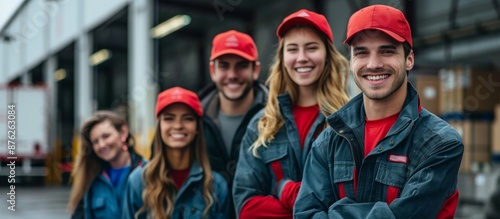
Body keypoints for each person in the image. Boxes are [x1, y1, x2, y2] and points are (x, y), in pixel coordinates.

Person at [294, 4, 464, 219]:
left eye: (387, 51)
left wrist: (333, 212)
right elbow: (305, 214)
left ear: (409, 59)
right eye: (362, 53)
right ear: (351, 61)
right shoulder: (328, 141)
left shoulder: (440, 144)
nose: (373, 64)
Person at [232, 9, 350, 218]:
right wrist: (311, 210)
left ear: (327, 55)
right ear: (283, 58)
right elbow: (246, 207)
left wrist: (284, 190)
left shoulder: (348, 122)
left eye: (312, 48)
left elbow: (351, 203)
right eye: (293, 49)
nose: (302, 58)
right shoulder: (262, 124)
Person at [123, 87, 229, 219]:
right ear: (159, 125)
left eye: (187, 118)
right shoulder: (139, 181)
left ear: (197, 127)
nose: (178, 125)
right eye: (169, 118)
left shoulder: (216, 186)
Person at [198, 29, 268, 218]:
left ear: (256, 70)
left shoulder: (276, 118)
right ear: (213, 70)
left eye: (241, 65)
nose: (232, 75)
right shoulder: (193, 122)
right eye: (224, 66)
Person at [67, 110, 144, 219]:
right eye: (95, 142)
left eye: (106, 136)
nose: (102, 144)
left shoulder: (147, 173)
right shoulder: (90, 180)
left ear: (123, 132)